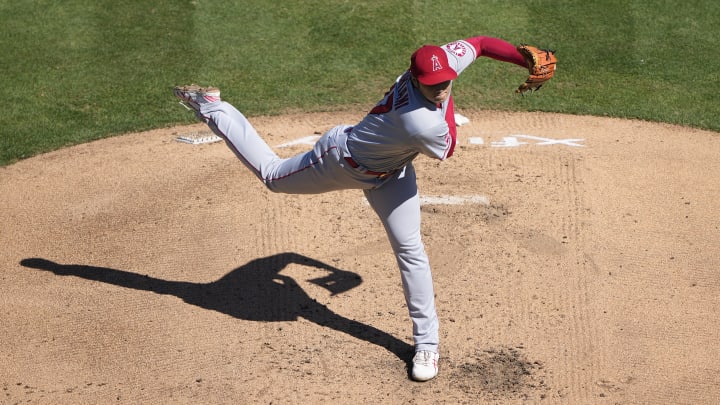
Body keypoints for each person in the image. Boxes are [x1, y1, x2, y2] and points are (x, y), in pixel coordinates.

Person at [174, 35, 541, 382]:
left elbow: (479, 45)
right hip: (340, 162)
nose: (441, 86)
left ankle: (427, 346)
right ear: (415, 80)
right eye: (433, 83)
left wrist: (522, 59)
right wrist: (448, 94)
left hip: (392, 173)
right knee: (272, 176)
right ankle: (212, 106)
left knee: (411, 250)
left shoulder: (440, 65)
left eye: (445, 78)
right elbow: (447, 148)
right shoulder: (420, 121)